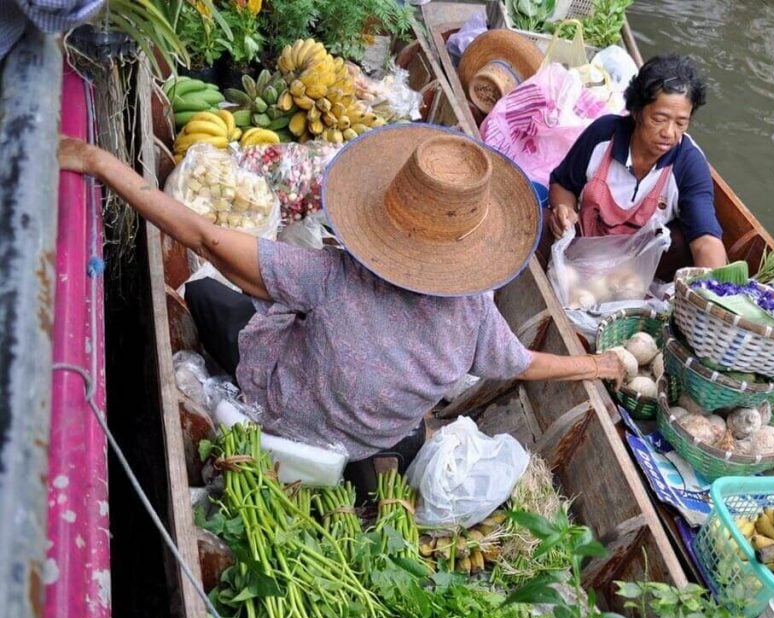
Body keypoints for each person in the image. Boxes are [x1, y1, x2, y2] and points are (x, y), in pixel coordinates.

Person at [58, 124, 624, 499]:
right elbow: (523, 363)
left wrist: (101, 163)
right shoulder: (476, 313)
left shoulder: (333, 276)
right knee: (399, 425)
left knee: (206, 292)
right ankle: (367, 466)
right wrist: (600, 367)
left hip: (287, 411)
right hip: (375, 436)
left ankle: (324, 448)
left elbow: (204, 240)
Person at [546, 54, 729, 280]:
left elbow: (705, 242)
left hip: (635, 271)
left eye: (681, 123)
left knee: (682, 242)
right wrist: (564, 209)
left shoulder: (689, 163)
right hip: (582, 249)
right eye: (659, 119)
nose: (669, 133)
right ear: (636, 111)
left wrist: (718, 293)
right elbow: (563, 185)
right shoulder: (603, 134)